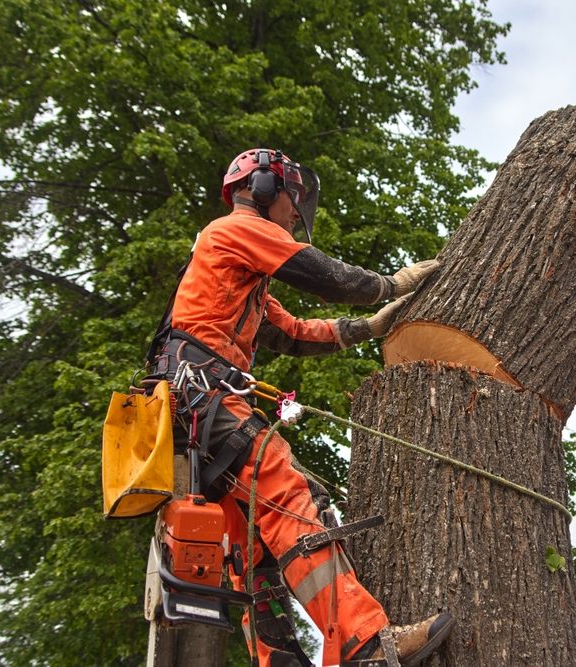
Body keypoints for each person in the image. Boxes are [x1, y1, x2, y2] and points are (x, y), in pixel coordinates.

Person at [146, 148, 453, 666]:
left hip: (193, 405)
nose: (295, 213)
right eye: (292, 199)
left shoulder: (236, 269)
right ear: (264, 189)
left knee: (251, 541)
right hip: (206, 396)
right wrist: (390, 284)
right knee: (289, 497)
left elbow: (291, 334)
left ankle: (278, 659)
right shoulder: (236, 229)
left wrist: (370, 328)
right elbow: (325, 275)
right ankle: (364, 645)